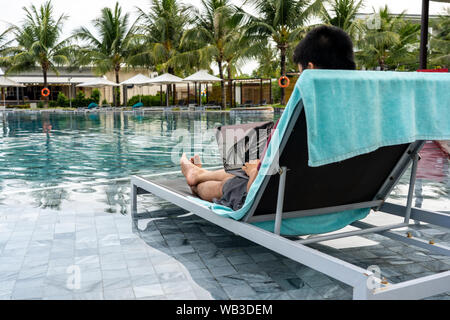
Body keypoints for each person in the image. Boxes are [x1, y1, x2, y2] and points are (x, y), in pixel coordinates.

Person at [180, 25, 357, 211]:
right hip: (334, 195)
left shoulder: (301, 117)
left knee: (228, 185)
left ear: (310, 69)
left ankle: (196, 181)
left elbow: (254, 189)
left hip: (284, 198)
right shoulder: (361, 115)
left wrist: (255, 171)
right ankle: (199, 173)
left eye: (299, 73)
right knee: (244, 162)